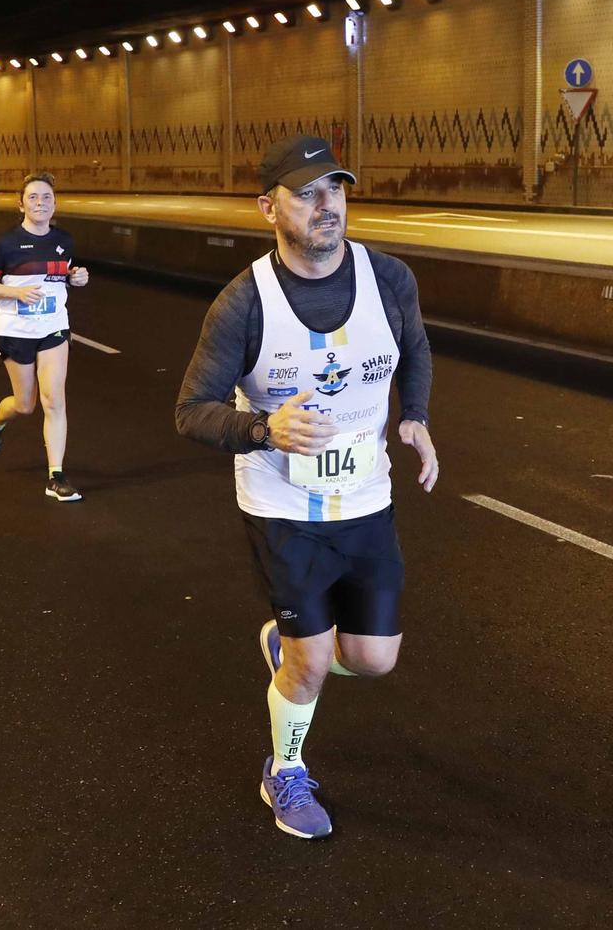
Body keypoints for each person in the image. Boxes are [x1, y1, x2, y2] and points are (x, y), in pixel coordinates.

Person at [173, 135, 439, 839]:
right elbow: (190, 411)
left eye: (337, 190)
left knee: (375, 660)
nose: (328, 206)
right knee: (314, 662)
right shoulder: (243, 304)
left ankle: (291, 649)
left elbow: (414, 347)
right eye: (308, 193)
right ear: (268, 207)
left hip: (367, 501)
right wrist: (264, 429)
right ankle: (284, 770)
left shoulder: (389, 280)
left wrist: (414, 417)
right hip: (284, 508)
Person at [0, 172, 89, 501]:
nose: (41, 203)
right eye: (34, 197)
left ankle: (56, 476)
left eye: (47, 197)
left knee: (54, 400)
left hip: (53, 326)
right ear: (21, 203)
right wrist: (17, 292)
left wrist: (75, 277)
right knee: (25, 405)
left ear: (55, 203)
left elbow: (60, 276)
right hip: (14, 330)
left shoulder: (65, 241)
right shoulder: (6, 243)